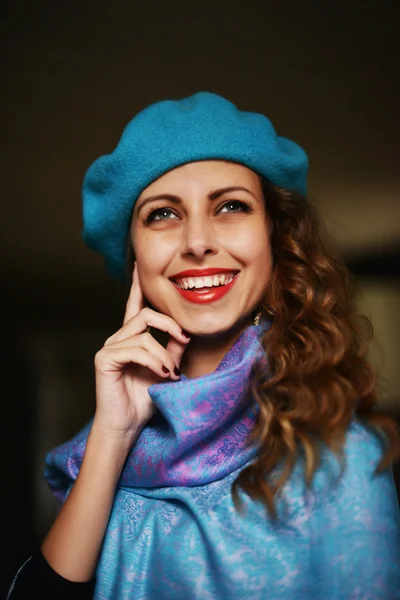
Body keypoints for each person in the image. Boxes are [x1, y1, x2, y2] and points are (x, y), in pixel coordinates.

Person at [7, 91, 400, 600]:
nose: (197, 241)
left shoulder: (338, 455)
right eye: (163, 215)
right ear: (135, 259)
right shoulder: (105, 444)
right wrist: (114, 431)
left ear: (275, 240)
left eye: (231, 206)